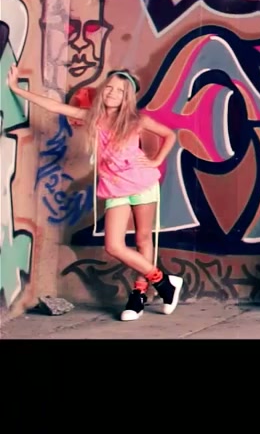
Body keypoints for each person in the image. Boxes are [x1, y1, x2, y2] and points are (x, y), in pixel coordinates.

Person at [7, 67, 184, 321]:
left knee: (143, 239)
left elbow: (169, 135)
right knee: (114, 245)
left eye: (120, 91)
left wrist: (155, 160)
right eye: (109, 87)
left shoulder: (137, 120)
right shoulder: (92, 117)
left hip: (143, 183)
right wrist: (17, 88)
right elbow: (54, 106)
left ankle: (139, 294)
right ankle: (164, 282)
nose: (112, 93)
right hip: (115, 188)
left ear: (127, 97)